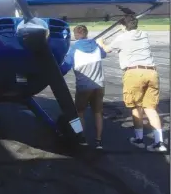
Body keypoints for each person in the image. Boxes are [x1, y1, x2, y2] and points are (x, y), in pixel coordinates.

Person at [96, 15, 167, 152]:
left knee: (135, 108)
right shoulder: (144, 34)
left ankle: (139, 139)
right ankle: (159, 143)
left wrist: (101, 42)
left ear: (123, 26)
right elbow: (131, 35)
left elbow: (107, 50)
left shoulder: (122, 38)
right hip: (152, 73)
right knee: (151, 109)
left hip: (134, 73)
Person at [60, 25, 106, 149]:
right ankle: (99, 141)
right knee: (98, 113)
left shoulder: (74, 48)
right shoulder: (96, 46)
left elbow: (65, 67)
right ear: (86, 33)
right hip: (99, 85)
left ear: (75, 35)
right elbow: (104, 54)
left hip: (84, 86)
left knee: (79, 113)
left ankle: (81, 138)